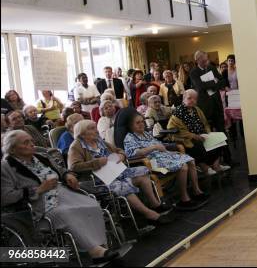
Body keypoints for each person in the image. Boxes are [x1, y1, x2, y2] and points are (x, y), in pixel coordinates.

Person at [1, 130, 119, 263]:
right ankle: (96, 252)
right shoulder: (6, 167)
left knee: (92, 204)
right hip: (39, 204)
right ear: (12, 148)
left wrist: (67, 175)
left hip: (62, 193)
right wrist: (38, 189)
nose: (32, 144)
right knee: (66, 213)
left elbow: (61, 169)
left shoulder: (40, 157)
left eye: (31, 141)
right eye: (26, 142)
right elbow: (5, 197)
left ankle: (100, 245)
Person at [68, 120, 173, 225]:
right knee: (123, 186)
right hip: (99, 180)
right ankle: (150, 215)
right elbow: (73, 166)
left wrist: (121, 156)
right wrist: (96, 163)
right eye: (92, 128)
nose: (96, 130)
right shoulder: (76, 146)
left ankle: (155, 205)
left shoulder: (98, 140)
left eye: (95, 127)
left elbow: (119, 150)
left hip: (115, 171)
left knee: (142, 172)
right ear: (82, 133)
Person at [122, 111, 207, 210]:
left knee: (191, 161)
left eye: (142, 121)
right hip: (153, 161)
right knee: (183, 166)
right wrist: (153, 148)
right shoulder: (129, 138)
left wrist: (170, 152)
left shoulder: (146, 134)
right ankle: (184, 198)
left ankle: (196, 191)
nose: (141, 124)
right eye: (138, 122)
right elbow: (133, 154)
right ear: (130, 125)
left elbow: (161, 146)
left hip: (165, 156)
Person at [166, 90, 229, 176]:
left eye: (195, 99)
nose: (192, 100)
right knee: (198, 146)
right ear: (184, 99)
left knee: (221, 141)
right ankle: (205, 168)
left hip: (202, 135)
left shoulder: (197, 109)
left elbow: (205, 123)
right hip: (187, 139)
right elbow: (172, 128)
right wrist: (193, 136)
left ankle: (216, 165)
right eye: (189, 98)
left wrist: (208, 133)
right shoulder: (178, 112)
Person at [190, 51, 227, 133]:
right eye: (204, 61)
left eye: (207, 60)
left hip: (216, 102)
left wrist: (212, 84)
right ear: (197, 60)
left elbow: (223, 81)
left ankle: (224, 146)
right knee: (207, 130)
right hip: (205, 105)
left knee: (221, 128)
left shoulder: (211, 68)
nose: (206, 62)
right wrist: (214, 82)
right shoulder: (194, 72)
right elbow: (200, 86)